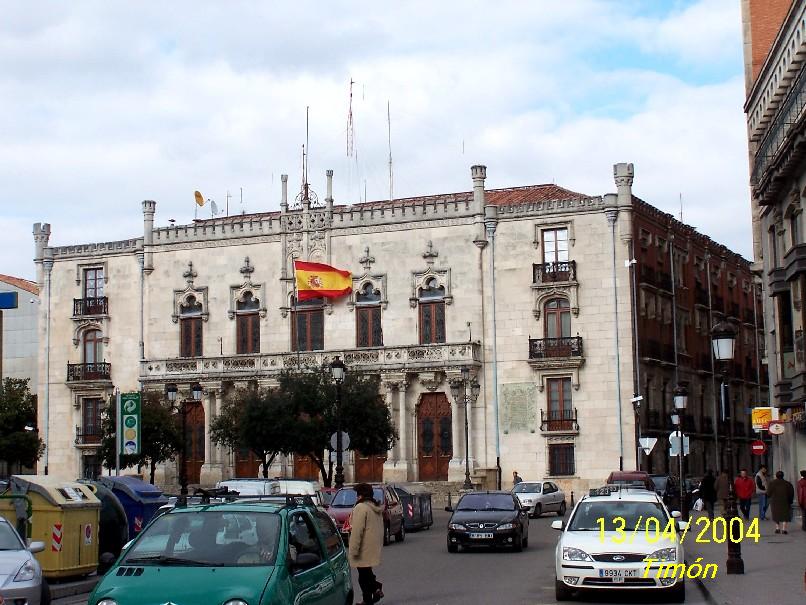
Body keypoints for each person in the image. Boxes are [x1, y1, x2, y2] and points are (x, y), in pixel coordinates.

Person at [348, 483, 384, 605]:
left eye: (357, 495)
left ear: (361, 496)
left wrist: (353, 549)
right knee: (366, 573)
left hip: (363, 547)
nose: (356, 498)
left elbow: (357, 530)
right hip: (372, 546)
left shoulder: (361, 508)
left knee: (363, 576)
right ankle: (373, 592)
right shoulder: (374, 507)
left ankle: (372, 593)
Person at [767, 470, 795, 535]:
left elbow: (768, 493)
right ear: (783, 476)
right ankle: (784, 529)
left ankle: (777, 528)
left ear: (776, 476)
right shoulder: (788, 484)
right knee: (785, 515)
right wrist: (790, 501)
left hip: (775, 502)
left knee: (776, 514)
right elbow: (791, 493)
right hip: (785, 501)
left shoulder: (772, 483)